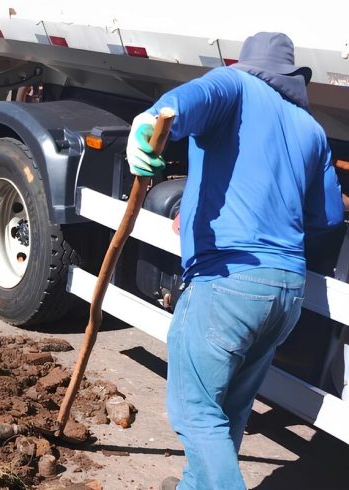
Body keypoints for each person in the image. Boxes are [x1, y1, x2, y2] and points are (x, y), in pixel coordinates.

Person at [125, 32, 344, 489]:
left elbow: (190, 100)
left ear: (245, 64)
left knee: (196, 411)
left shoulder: (233, 85)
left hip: (227, 281)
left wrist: (148, 123)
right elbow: (326, 217)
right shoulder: (311, 130)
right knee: (228, 412)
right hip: (285, 290)